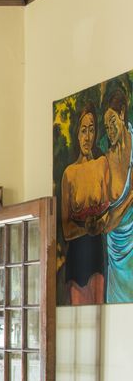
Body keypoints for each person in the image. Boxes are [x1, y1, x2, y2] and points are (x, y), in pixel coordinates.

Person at [59, 105, 108, 304]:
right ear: (77, 134)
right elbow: (66, 230)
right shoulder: (69, 174)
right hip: (76, 260)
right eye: (83, 130)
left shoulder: (101, 164)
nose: (87, 137)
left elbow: (107, 212)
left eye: (91, 129)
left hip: (97, 256)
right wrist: (88, 228)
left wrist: (99, 224)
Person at [96, 86, 133, 302]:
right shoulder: (106, 159)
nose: (110, 130)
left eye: (113, 123)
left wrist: (111, 219)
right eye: (106, 126)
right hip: (114, 250)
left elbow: (110, 220)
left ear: (122, 114)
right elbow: (107, 224)